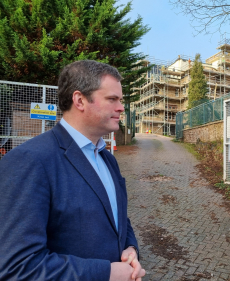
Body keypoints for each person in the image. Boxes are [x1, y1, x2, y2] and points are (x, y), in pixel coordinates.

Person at [0, 60, 146, 281]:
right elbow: (18, 266)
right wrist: (106, 273)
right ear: (79, 100)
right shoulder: (30, 161)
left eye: (121, 100)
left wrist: (130, 248)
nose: (121, 107)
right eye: (112, 99)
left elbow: (119, 217)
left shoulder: (108, 159)